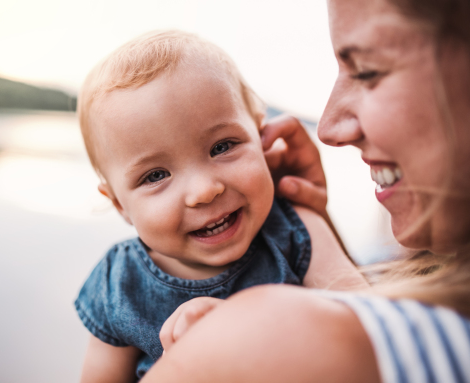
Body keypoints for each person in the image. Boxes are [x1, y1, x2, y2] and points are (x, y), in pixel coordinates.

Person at [142, 0, 470, 382]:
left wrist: (225, 342)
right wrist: (317, 232)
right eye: (154, 175)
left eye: (366, 71)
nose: (327, 127)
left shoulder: (251, 344)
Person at [74, 31, 366, 382]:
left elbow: (368, 323)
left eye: (222, 146)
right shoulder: (120, 283)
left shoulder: (295, 230)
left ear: (261, 139)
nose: (204, 191)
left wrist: (240, 328)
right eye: (155, 175)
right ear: (120, 205)